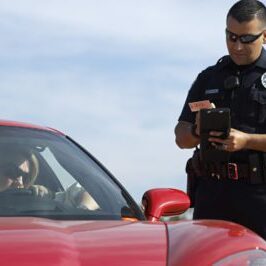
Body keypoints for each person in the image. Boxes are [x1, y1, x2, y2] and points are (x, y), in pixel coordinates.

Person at [175, 0, 266, 239]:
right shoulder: (208, 78)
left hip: (260, 197)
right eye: (231, 36)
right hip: (212, 195)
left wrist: (248, 140)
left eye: (246, 38)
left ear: (264, 36)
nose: (237, 46)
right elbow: (180, 136)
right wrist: (196, 132)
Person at [0, 144, 99, 210]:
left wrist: (50, 195)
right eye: (12, 172)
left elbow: (93, 190)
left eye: (26, 177)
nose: (20, 182)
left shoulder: (33, 204)